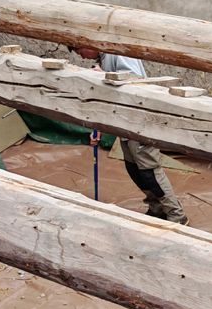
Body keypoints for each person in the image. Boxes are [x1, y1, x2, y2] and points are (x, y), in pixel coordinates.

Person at [77, 47, 188, 224]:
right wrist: (98, 126)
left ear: (88, 44)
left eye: (79, 50)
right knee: (134, 169)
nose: (80, 56)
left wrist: (103, 75)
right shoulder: (103, 58)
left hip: (138, 119)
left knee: (149, 170)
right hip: (125, 123)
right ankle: (157, 207)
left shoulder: (116, 52)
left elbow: (134, 78)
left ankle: (176, 214)